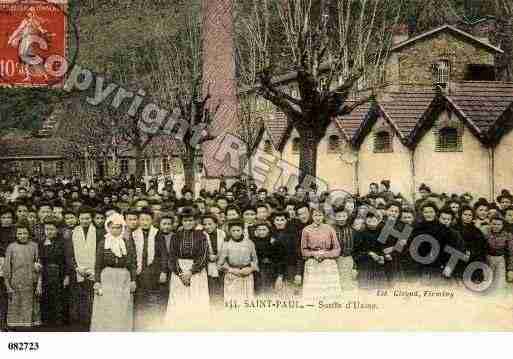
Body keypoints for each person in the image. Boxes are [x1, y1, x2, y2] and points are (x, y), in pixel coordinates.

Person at [91, 213, 136, 331]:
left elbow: (132, 263)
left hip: (123, 278)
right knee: (107, 306)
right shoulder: (103, 243)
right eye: (113, 227)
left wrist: (133, 280)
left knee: (122, 306)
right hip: (107, 277)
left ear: (122, 228)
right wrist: (97, 281)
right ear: (108, 228)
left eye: (118, 227)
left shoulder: (127, 243)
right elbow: (98, 264)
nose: (116, 230)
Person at [165, 207, 209, 324]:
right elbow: (172, 257)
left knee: (196, 301)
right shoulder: (176, 236)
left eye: (190, 220)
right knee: (179, 302)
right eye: (185, 221)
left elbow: (203, 256)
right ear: (181, 222)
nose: (188, 223)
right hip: (178, 272)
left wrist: (190, 272)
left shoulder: (202, 236)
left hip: (196, 273)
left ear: (195, 221)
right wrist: (180, 273)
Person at [64, 206, 103, 331]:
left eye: (87, 218)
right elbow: (69, 254)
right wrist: (76, 267)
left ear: (91, 219)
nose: (85, 221)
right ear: (78, 219)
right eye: (82, 218)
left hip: (94, 271)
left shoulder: (98, 232)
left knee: (93, 299)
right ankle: (79, 325)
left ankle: (92, 324)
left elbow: (100, 253)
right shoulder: (73, 232)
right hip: (78, 272)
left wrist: (94, 270)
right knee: (78, 299)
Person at [3, 220, 42, 330]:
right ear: (16, 234)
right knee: (15, 312)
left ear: (29, 233)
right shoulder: (11, 247)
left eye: (25, 233)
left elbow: (39, 266)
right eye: (19, 233)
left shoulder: (34, 246)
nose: (22, 236)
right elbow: (6, 269)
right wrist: (8, 286)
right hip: (15, 284)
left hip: (31, 284)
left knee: (30, 312)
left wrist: (39, 284)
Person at [132, 207, 164, 330]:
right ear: (139, 220)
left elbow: (163, 254)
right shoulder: (134, 234)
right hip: (139, 271)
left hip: (153, 271)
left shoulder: (157, 233)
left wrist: (163, 271)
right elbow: (132, 254)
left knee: (151, 299)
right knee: (139, 300)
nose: (145, 222)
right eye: (142, 219)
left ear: (152, 220)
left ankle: (151, 325)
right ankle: (139, 325)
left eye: (147, 219)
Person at [301, 208, 341, 300]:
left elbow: (337, 249)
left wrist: (325, 255)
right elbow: (304, 251)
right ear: (312, 216)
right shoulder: (306, 230)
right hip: (313, 262)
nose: (318, 218)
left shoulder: (330, 229)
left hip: (328, 262)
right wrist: (314, 254)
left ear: (323, 216)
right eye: (315, 215)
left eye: (320, 215)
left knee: (329, 293)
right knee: (313, 293)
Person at [218, 220, 259, 301]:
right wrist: (232, 270)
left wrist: (250, 269)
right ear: (229, 232)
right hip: (232, 275)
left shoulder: (249, 243)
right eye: (233, 231)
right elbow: (220, 264)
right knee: (233, 300)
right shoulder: (226, 244)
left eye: (238, 230)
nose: (236, 233)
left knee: (247, 300)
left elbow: (255, 260)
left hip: (247, 275)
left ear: (243, 231)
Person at [39, 216, 66, 330]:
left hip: (59, 273)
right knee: (46, 298)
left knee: (58, 299)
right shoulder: (41, 242)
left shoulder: (62, 242)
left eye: (51, 229)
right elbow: (40, 258)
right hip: (45, 274)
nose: (49, 232)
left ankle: (58, 326)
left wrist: (66, 276)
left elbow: (65, 260)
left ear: (57, 230)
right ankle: (47, 324)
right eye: (47, 229)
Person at [485, 214, 513, 294]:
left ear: (502, 225)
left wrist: (510, 269)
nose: (496, 226)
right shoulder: (485, 233)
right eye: (494, 224)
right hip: (487, 259)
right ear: (490, 224)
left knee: (500, 285)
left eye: (499, 224)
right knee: (487, 282)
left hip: (500, 260)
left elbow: (511, 253)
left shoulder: (507, 235)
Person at [202, 214, 226, 306]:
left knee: (222, 289)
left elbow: (226, 248)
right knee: (211, 289)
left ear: (216, 224)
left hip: (222, 265)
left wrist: (219, 256)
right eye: (205, 224)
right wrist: (208, 256)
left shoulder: (222, 233)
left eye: (210, 224)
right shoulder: (202, 235)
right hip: (208, 266)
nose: (207, 226)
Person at [332, 208, 356, 291]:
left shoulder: (352, 230)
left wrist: (355, 267)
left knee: (348, 284)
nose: (341, 219)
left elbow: (356, 249)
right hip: (335, 260)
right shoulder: (331, 230)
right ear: (335, 217)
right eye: (339, 216)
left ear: (347, 217)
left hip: (348, 259)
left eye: (344, 216)